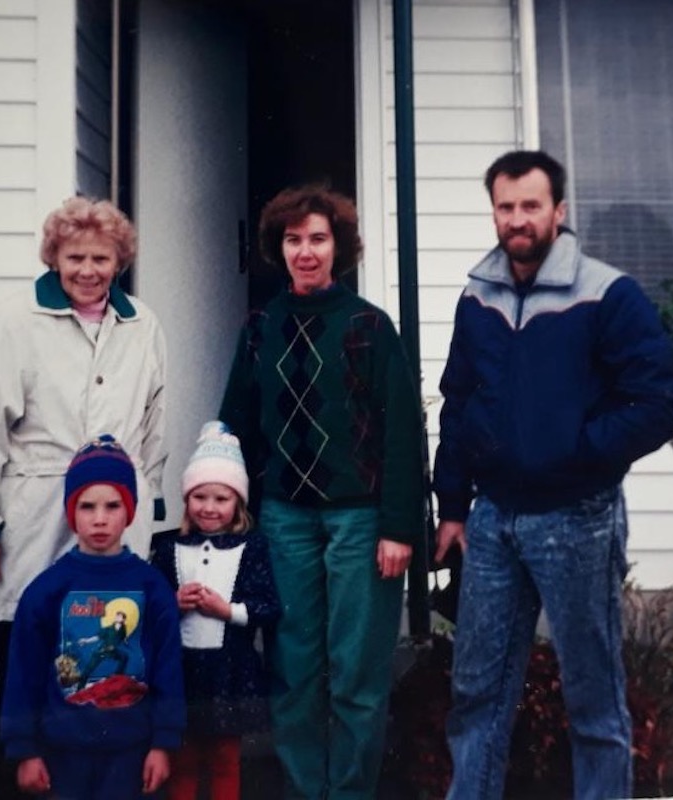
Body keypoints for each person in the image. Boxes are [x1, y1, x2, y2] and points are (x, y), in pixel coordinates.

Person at [433, 150, 673, 800]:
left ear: (558, 212)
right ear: (494, 211)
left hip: (576, 518)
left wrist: (576, 451)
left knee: (593, 699)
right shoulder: (477, 295)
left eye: (531, 206)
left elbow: (656, 403)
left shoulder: (607, 293)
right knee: (477, 692)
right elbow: (459, 402)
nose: (518, 219)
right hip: (492, 521)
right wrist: (453, 504)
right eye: (506, 206)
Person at [0, 196, 167, 798]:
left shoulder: (141, 323)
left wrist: (143, 516)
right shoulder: (15, 320)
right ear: (54, 258)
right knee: (24, 668)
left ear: (119, 260)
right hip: (33, 518)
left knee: (107, 673)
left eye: (101, 258)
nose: (88, 270)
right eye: (75, 257)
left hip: (113, 521)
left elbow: (153, 428)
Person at [219, 184, 424, 799]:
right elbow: (233, 426)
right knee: (294, 671)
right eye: (292, 240)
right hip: (284, 521)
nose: (305, 252)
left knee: (357, 675)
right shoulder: (261, 327)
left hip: (361, 523)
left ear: (339, 247)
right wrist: (227, 506)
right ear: (277, 249)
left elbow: (403, 434)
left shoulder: (367, 326)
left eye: (317, 239)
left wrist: (399, 526)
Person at [0, 435, 185, 800]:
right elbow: (24, 672)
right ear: (71, 511)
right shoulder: (48, 589)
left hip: (131, 753)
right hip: (63, 754)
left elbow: (169, 670)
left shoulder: (151, 587)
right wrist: (24, 749)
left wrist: (164, 743)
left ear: (129, 510)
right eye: (87, 507)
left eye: (112, 505)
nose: (100, 519)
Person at [150, 420, 281, 800]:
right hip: (182, 671)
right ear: (187, 499)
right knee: (184, 757)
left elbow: (268, 606)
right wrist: (173, 604)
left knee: (225, 758)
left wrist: (226, 611)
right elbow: (152, 610)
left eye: (221, 499)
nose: (209, 508)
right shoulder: (168, 548)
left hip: (230, 671)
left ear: (237, 503)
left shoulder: (251, 548)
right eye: (199, 497)